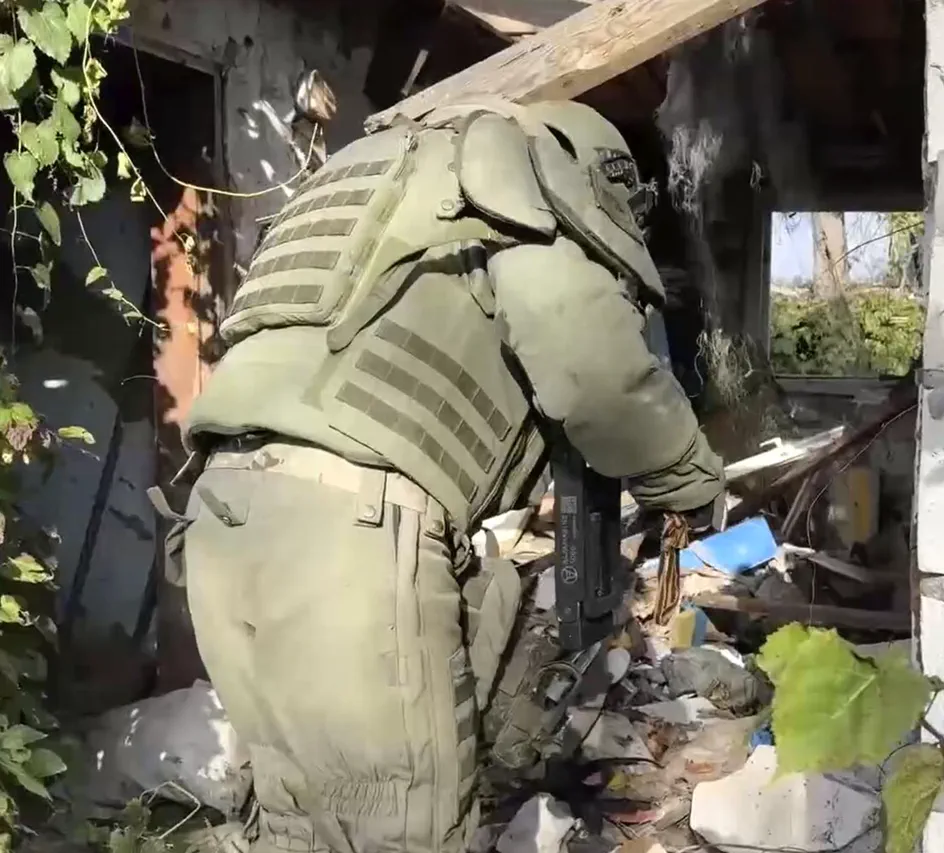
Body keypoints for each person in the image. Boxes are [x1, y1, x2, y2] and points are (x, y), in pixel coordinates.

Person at [168, 96, 726, 853]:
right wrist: (688, 481)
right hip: (346, 529)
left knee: (300, 824)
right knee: (401, 831)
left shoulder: (386, 185)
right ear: (602, 177)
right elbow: (597, 374)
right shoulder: (515, 182)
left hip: (222, 512)